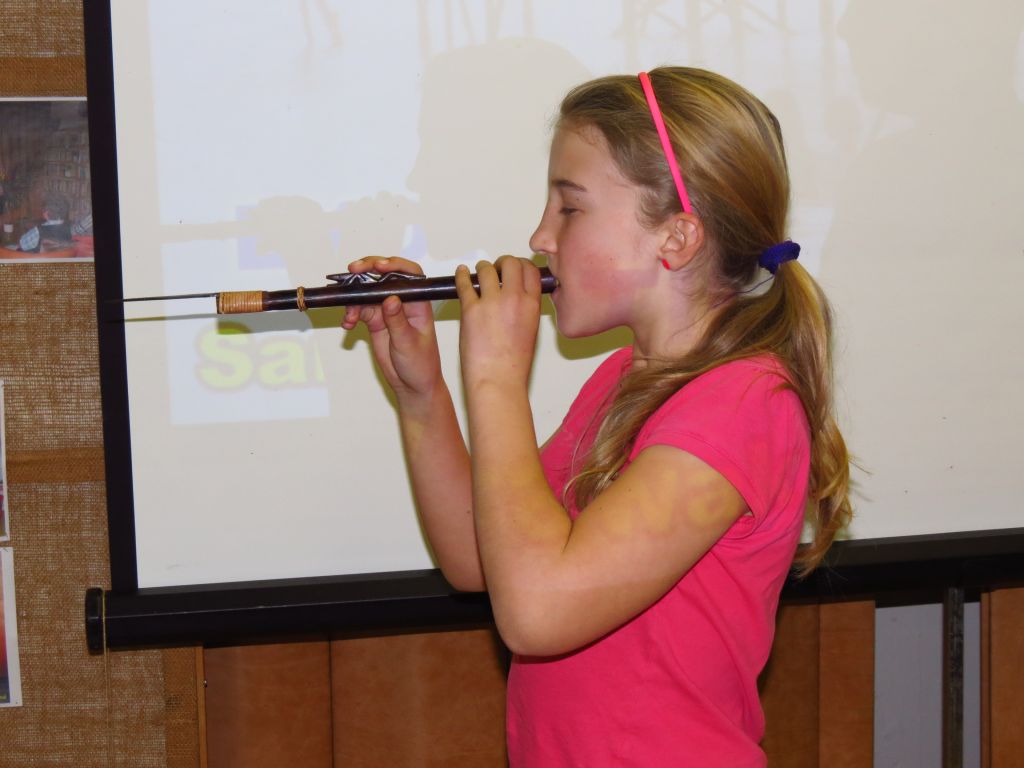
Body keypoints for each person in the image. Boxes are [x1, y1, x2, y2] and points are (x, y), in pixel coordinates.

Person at [342, 66, 852, 766]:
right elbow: (480, 560)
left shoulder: (743, 403)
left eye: (570, 208)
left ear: (676, 237)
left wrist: (495, 377)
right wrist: (422, 396)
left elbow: (537, 614)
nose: (540, 237)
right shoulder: (627, 378)